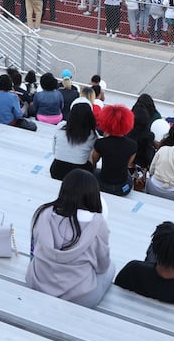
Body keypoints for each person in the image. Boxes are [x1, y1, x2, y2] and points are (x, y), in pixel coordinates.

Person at [26, 169, 113, 307]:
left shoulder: (43, 212)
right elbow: (102, 266)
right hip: (80, 297)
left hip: (36, 284)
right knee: (110, 268)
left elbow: (34, 248)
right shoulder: (98, 223)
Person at [89, 104, 137, 196]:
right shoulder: (133, 145)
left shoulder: (100, 143)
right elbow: (126, 165)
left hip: (101, 185)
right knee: (128, 174)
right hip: (122, 188)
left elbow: (94, 162)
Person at [50, 101, 98, 181]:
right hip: (79, 174)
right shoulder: (92, 135)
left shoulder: (60, 126)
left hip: (56, 170)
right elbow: (92, 159)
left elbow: (54, 150)